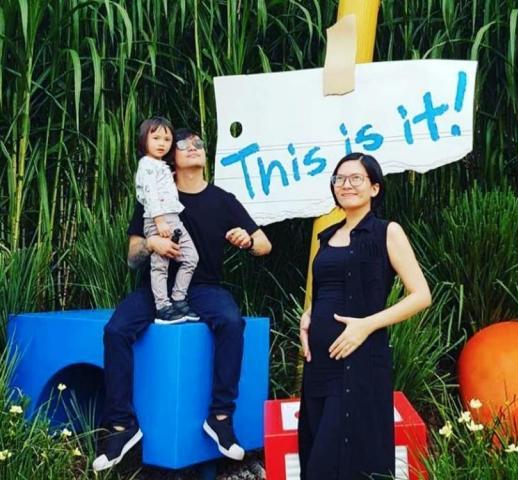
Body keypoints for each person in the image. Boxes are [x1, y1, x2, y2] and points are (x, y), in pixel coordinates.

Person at [92, 127, 272, 472]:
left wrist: (247, 240)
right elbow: (132, 256)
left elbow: (264, 244)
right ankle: (121, 426)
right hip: (156, 290)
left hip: (203, 287)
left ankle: (220, 417)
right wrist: (151, 244)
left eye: (198, 143)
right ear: (169, 157)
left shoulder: (223, 200)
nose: (193, 147)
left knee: (231, 322)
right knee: (116, 330)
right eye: (183, 144)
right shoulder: (156, 194)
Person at [297, 152, 431, 479]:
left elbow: (421, 295)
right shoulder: (327, 236)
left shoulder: (387, 232)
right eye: (340, 179)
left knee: (343, 459)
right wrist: (309, 315)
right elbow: (327, 289)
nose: (346, 185)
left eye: (356, 178)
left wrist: (366, 326)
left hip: (359, 360)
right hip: (320, 364)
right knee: (315, 451)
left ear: (374, 187)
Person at [134, 117, 199, 324]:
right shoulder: (147, 165)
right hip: (158, 220)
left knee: (191, 257)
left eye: (167, 139)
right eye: (156, 138)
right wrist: (159, 221)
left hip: (174, 219)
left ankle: (178, 298)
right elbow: (150, 194)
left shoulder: (160, 165)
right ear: (144, 139)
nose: (162, 143)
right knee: (160, 265)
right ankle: (162, 306)